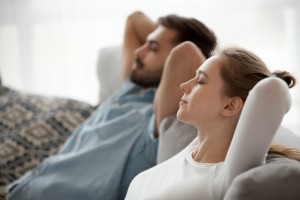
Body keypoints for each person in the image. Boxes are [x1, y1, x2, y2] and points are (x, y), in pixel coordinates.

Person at [4, 11, 217, 200]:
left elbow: (186, 52)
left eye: (152, 48)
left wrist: (191, 48)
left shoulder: (158, 116)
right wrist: (162, 36)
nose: (138, 53)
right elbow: (134, 20)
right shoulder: (131, 88)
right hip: (22, 187)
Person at [125, 45, 297, 200]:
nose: (184, 86)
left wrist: (280, 80)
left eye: (200, 81)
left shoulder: (224, 178)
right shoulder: (193, 149)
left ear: (230, 106)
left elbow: (273, 90)